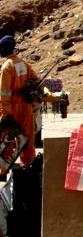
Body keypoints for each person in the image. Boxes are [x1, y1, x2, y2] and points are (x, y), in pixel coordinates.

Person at [0, 36, 38, 168]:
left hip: (13, 107)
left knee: (8, 139)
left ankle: (3, 169)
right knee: (27, 137)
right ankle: (27, 166)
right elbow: (35, 79)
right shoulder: (23, 63)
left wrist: (5, 113)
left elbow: (4, 93)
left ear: (4, 48)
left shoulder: (6, 67)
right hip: (26, 105)